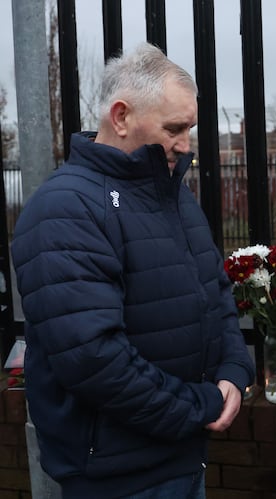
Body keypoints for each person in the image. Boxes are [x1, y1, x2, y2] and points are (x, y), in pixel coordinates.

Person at [11, 43, 255, 499]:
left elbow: (215, 296)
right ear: (121, 116)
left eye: (190, 129)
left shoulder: (172, 195)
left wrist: (234, 371)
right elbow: (94, 358)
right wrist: (201, 405)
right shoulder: (64, 208)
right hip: (115, 478)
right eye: (174, 128)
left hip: (182, 457)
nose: (185, 145)